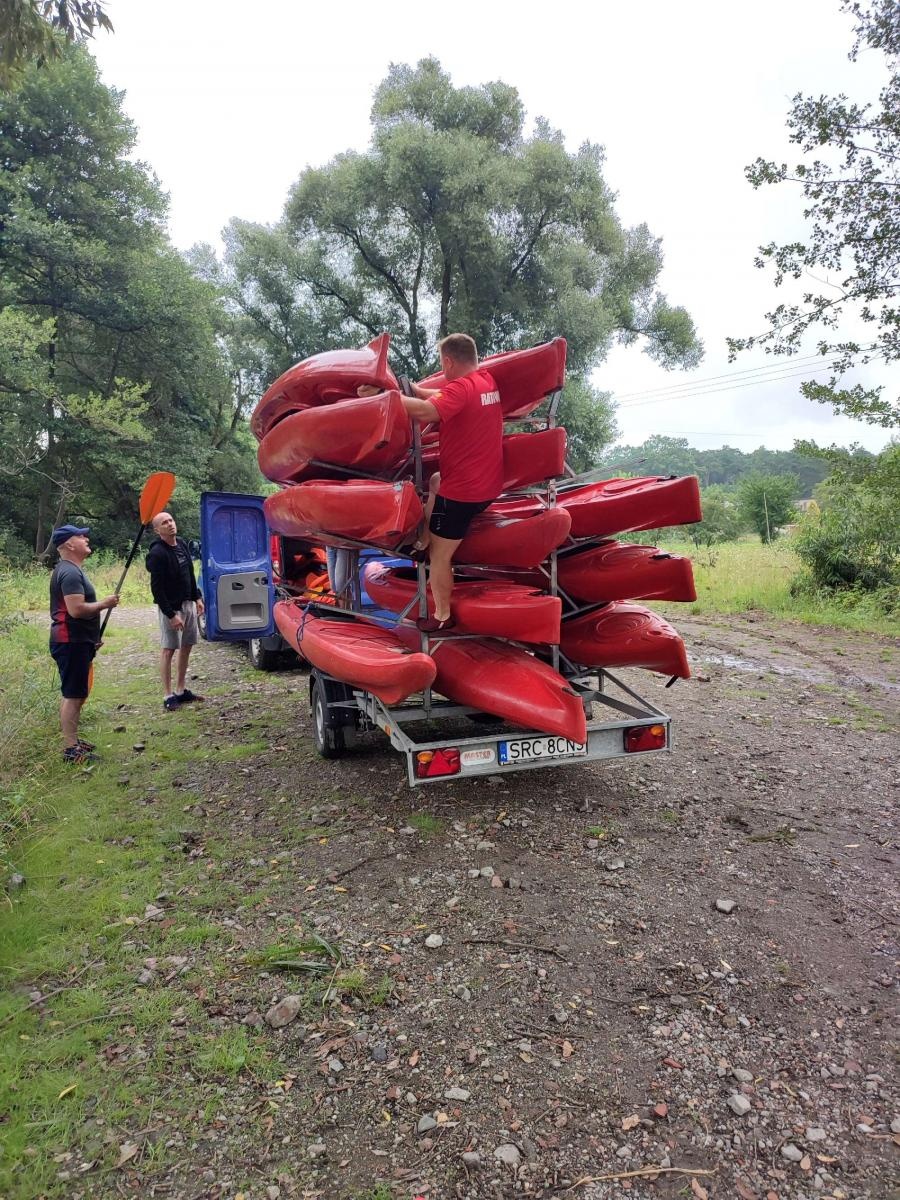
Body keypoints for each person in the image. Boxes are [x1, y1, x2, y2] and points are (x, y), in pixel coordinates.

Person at [396, 333, 503, 632]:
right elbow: (445, 399)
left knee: (439, 559)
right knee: (434, 479)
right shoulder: (486, 382)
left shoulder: (462, 388)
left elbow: (428, 411)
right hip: (487, 485)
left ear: (448, 361)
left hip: (462, 496)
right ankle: (425, 536)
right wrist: (416, 390)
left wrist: (387, 398)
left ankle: (443, 616)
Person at [48, 525, 120, 764]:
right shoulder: (69, 572)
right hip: (70, 642)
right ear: (69, 544)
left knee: (78, 693)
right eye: (80, 536)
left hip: (78, 641)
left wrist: (91, 638)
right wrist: (104, 603)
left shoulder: (72, 570)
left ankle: (74, 742)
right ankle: (70, 749)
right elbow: (76, 610)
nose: (86, 538)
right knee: (72, 694)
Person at [145, 512, 205, 712]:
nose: (170, 524)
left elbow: (189, 572)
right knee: (169, 649)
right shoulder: (157, 553)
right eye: (164, 523)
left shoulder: (181, 544)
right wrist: (171, 615)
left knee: (187, 645)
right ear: (157, 530)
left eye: (171, 520)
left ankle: (180, 690)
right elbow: (157, 589)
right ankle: (168, 694)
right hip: (171, 608)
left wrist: (197, 597)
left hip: (188, 603)